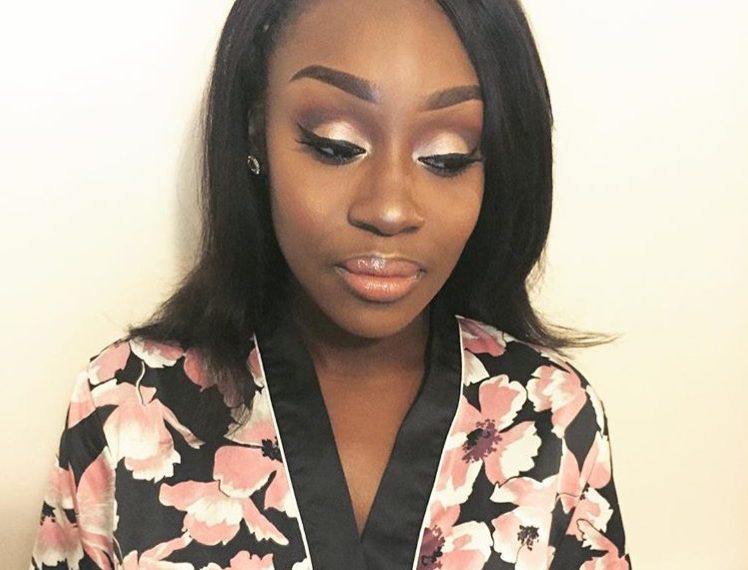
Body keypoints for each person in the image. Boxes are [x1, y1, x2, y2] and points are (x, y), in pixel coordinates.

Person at [29, 0, 632, 568]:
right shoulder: (125, 404)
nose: (390, 209)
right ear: (255, 135)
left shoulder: (553, 415)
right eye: (336, 146)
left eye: (447, 157)